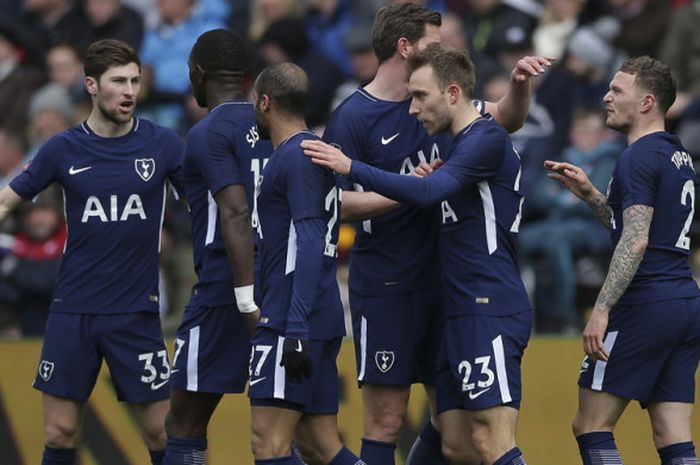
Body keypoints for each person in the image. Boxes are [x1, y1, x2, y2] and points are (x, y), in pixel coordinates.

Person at [319, 3, 550, 465]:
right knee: (387, 420)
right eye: (434, 44)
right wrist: (415, 191)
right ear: (405, 47)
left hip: (450, 286)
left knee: (455, 430)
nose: (446, 51)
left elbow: (503, 117)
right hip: (387, 284)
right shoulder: (353, 117)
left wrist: (521, 87)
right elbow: (334, 203)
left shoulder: (445, 103)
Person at [0, 39, 185, 465]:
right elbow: (10, 199)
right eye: (118, 81)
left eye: (135, 81)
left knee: (162, 432)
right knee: (60, 432)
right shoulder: (63, 148)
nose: (129, 91)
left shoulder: (163, 145)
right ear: (91, 86)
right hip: (74, 309)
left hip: (135, 311)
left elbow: (207, 205)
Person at [545, 56, 700, 465]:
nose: (606, 97)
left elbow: (636, 241)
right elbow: (644, 226)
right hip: (683, 301)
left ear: (647, 102)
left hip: (644, 303)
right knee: (672, 432)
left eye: (617, 91)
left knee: (590, 425)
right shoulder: (676, 155)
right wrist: (593, 196)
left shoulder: (637, 157)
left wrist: (601, 309)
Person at [162, 28, 272, 465]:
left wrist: (243, 297)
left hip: (226, 288)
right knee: (288, 428)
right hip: (279, 277)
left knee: (183, 424)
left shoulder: (207, 132)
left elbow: (234, 212)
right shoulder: (272, 122)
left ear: (198, 73)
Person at [248, 62, 363, 465]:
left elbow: (310, 239)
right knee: (319, 445)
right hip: (316, 312)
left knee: (269, 443)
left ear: (265, 102)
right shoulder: (306, 153)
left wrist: (294, 325)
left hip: (292, 317)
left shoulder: (296, 158)